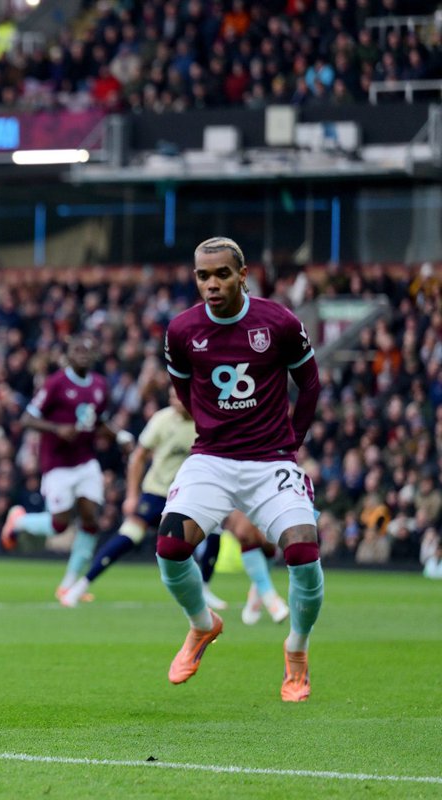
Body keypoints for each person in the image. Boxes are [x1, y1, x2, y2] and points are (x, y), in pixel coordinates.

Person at [159, 236, 322, 702]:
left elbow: (308, 385)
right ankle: (202, 624)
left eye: (221, 274)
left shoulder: (278, 322)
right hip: (211, 457)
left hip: (271, 459)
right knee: (170, 545)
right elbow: (185, 393)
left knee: (303, 553)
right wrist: (215, 430)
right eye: (202, 276)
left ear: (242, 275)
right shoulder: (181, 331)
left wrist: (293, 443)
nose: (211, 284)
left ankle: (297, 648)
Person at [58, 386, 288, 619]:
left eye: (178, 396)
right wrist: (132, 495)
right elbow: (139, 457)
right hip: (157, 492)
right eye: (170, 397)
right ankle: (81, 585)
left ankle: (205, 588)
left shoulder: (208, 421)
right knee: (129, 536)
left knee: (216, 530)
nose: (175, 401)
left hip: (191, 496)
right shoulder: (162, 420)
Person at [0, 333, 135, 602]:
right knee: (59, 524)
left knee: (90, 519)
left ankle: (69, 584)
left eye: (88, 350)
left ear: (94, 355)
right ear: (68, 355)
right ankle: (19, 521)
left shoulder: (99, 385)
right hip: (57, 462)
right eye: (78, 350)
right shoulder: (56, 383)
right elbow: (27, 418)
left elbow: (100, 420)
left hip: (86, 460)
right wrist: (57, 429)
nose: (83, 354)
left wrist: (119, 436)